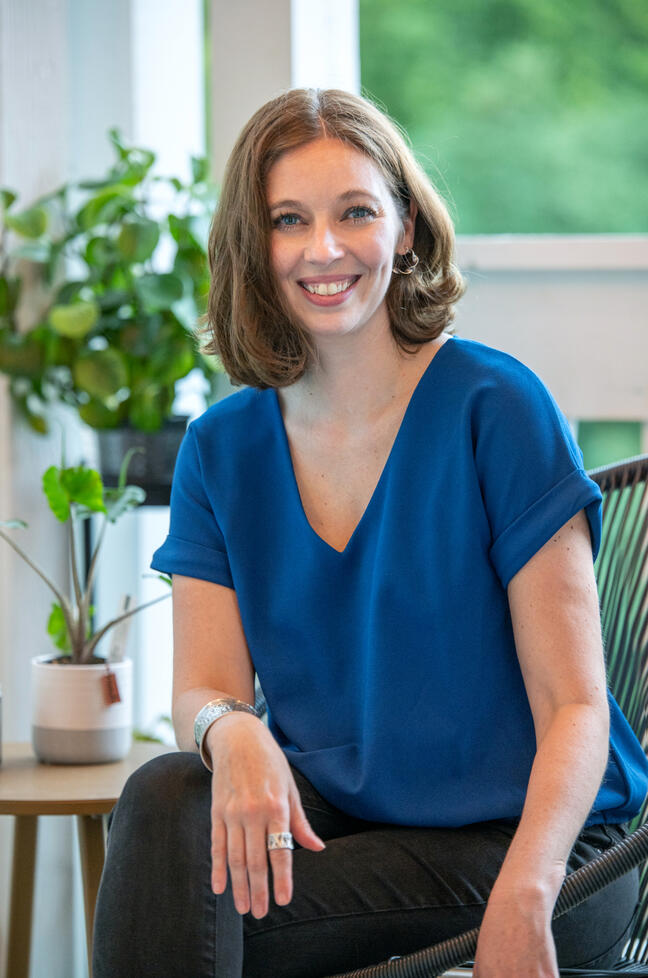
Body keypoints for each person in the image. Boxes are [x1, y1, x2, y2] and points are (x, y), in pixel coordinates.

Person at [93, 88, 648, 978]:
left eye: (356, 211)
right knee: (165, 792)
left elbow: (575, 706)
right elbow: (202, 685)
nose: (324, 248)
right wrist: (232, 729)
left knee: (178, 918)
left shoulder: (495, 408)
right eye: (289, 220)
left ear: (405, 231)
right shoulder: (220, 450)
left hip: (543, 852)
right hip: (347, 829)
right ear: (255, 246)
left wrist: (527, 893)